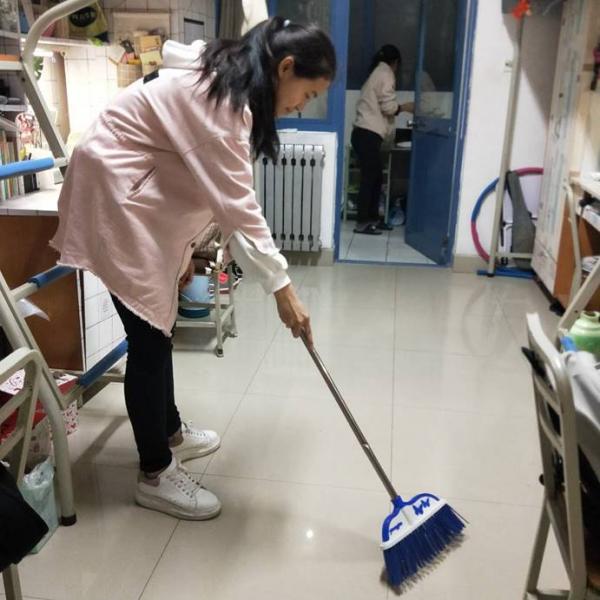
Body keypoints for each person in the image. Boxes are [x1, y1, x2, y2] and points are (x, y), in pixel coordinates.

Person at [50, 17, 335, 520]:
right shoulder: (221, 105)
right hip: (116, 199)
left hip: (138, 200)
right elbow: (239, 209)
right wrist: (283, 289)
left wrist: (182, 255)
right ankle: (155, 473)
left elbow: (208, 189)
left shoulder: (227, 85)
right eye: (307, 94)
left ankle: (169, 431)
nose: (301, 106)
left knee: (159, 328)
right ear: (285, 68)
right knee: (149, 339)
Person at [351, 44, 413, 235]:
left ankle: (372, 220)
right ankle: (363, 223)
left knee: (375, 178)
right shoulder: (386, 73)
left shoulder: (377, 72)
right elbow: (388, 107)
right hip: (367, 134)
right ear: (395, 62)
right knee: (370, 179)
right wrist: (405, 107)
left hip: (364, 134)